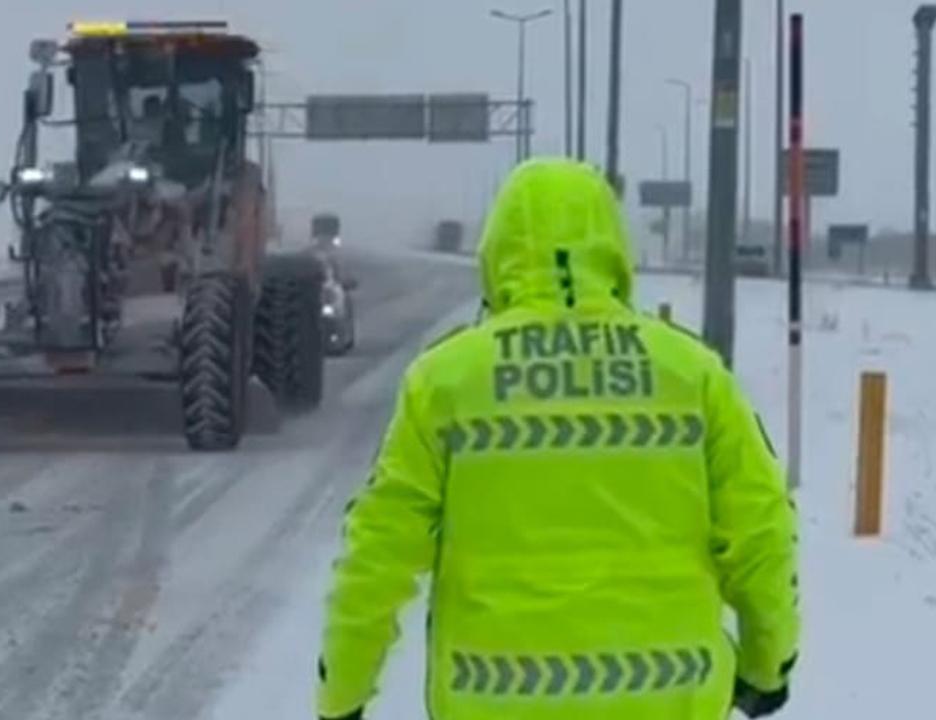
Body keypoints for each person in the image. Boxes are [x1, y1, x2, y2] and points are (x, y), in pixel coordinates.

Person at [317, 159, 799, 720]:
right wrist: (768, 666)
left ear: (497, 253)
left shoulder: (446, 380)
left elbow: (378, 553)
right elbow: (761, 530)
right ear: (613, 249)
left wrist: (343, 694)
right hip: (669, 700)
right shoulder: (694, 375)